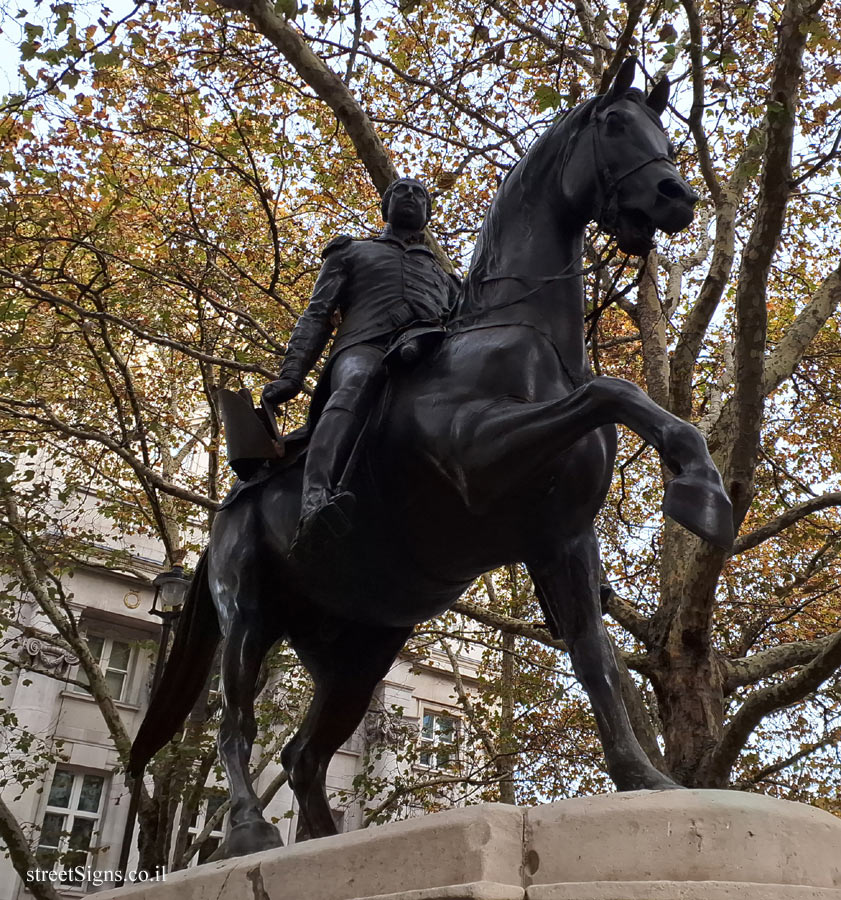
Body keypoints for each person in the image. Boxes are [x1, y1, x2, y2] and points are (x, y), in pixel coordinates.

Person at [262, 177, 459, 556]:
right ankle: (314, 503)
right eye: (400, 191)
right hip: (366, 348)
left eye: (419, 194)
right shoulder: (351, 252)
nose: (409, 196)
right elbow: (317, 314)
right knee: (356, 384)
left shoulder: (447, 279)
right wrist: (291, 375)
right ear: (385, 207)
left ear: (428, 214)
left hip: (429, 358)